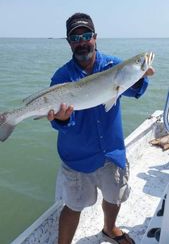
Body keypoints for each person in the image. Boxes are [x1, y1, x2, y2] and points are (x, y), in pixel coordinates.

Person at [48, 13, 154, 244]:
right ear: (68, 42)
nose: (82, 41)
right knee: (73, 206)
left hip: (111, 151)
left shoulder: (114, 65)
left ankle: (109, 228)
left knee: (114, 197)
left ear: (95, 37)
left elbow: (136, 91)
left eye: (86, 35)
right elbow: (58, 123)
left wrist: (140, 75)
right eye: (75, 37)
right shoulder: (62, 76)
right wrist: (63, 119)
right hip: (78, 157)